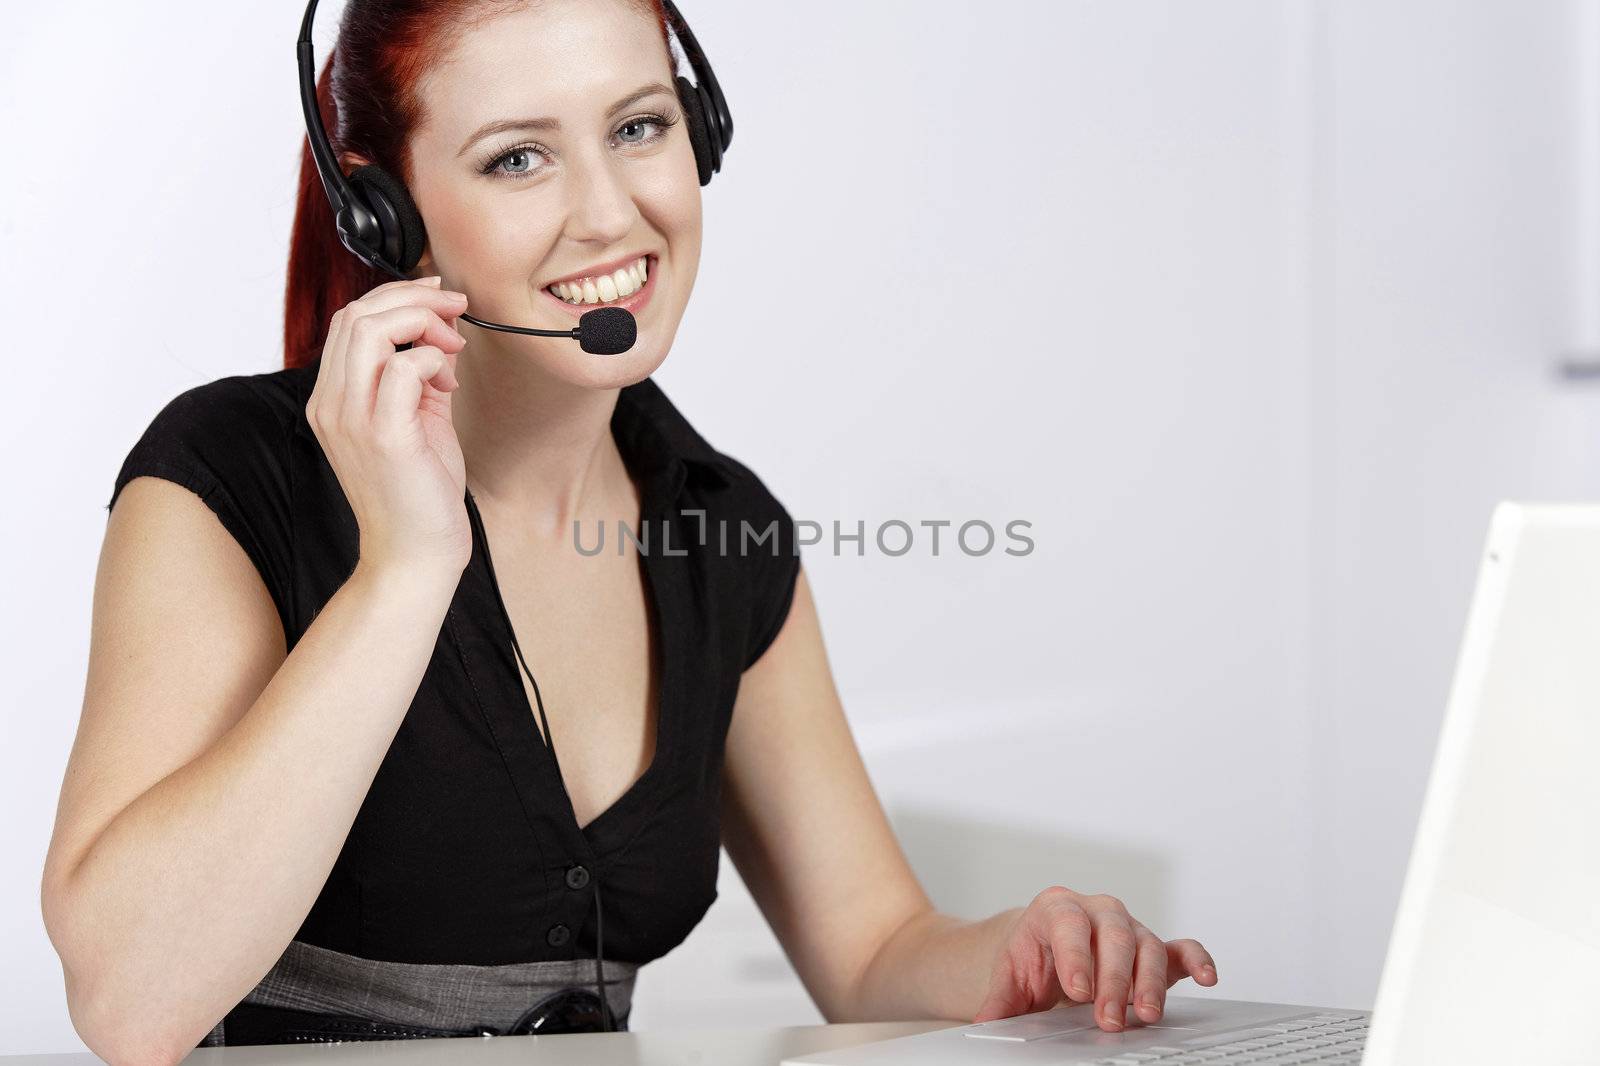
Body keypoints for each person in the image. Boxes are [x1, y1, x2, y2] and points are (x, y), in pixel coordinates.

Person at [39, 0, 1218, 1060]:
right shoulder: (229, 481)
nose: (610, 214)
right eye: (517, 158)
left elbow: (872, 949)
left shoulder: (719, 529)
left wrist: (1027, 946)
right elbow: (131, 1005)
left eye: (641, 127)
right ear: (383, 207)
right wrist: (407, 568)